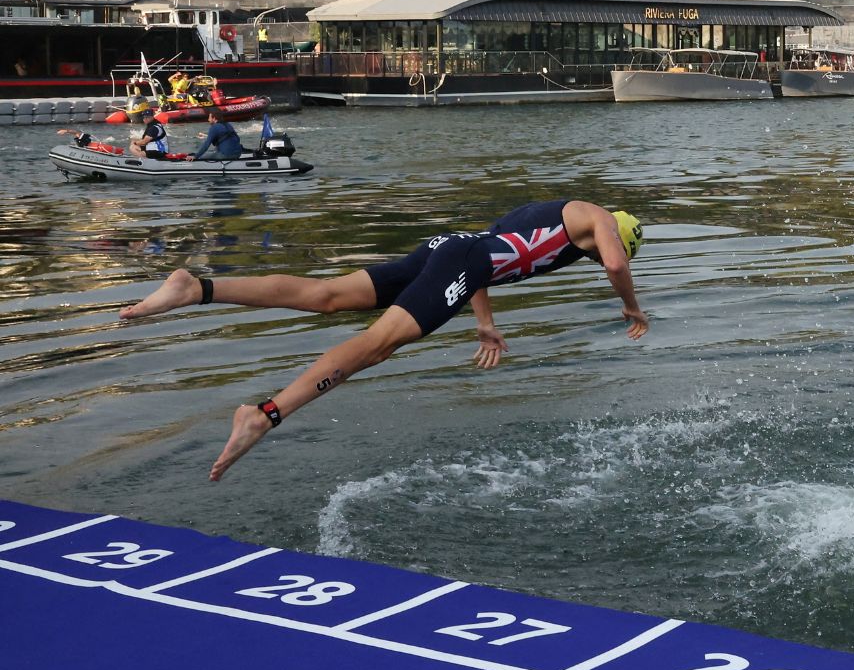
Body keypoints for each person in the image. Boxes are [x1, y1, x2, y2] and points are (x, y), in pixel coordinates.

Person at [117, 200, 648, 481]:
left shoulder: (545, 217)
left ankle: (197, 288)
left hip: (447, 249)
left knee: (325, 296)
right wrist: (630, 304)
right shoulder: (594, 216)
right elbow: (618, 263)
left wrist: (483, 322)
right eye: (599, 251)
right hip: (458, 259)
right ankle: (266, 413)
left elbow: (482, 255)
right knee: (377, 345)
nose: (596, 256)